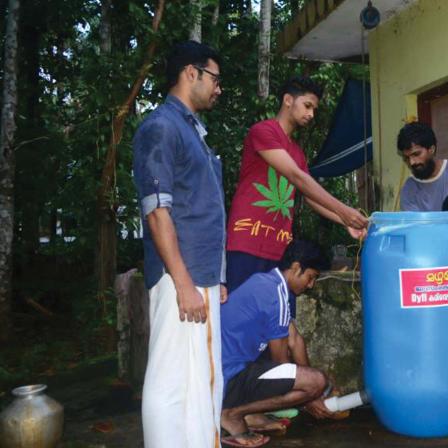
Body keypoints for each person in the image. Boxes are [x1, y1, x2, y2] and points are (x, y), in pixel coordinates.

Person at [133, 40, 226, 447]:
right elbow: (157, 212)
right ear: (192, 73)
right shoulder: (161, 127)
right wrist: (184, 282)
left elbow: (202, 208)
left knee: (200, 378)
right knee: (171, 380)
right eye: (215, 78)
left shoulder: (191, 132)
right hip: (180, 277)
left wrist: (216, 277)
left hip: (198, 274)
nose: (218, 88)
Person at [225, 76, 368, 295]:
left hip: (279, 249)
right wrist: (343, 210)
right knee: (240, 314)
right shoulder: (263, 131)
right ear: (288, 100)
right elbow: (296, 177)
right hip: (246, 241)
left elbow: (309, 195)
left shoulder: (297, 153)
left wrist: (344, 221)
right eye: (307, 106)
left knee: (276, 321)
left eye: (314, 109)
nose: (311, 114)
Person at [220, 241, 334, 447]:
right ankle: (233, 414)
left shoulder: (267, 283)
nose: (311, 285)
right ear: (296, 267)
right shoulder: (276, 296)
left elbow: (295, 340)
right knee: (316, 381)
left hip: (224, 375)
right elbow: (282, 364)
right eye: (311, 277)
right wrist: (310, 397)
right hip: (227, 380)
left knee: (314, 382)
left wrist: (315, 394)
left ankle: (248, 413)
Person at [397, 121, 448, 211]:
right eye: (407, 158)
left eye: (416, 154)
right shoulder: (409, 188)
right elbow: (415, 224)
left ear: (431, 149)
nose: (412, 162)